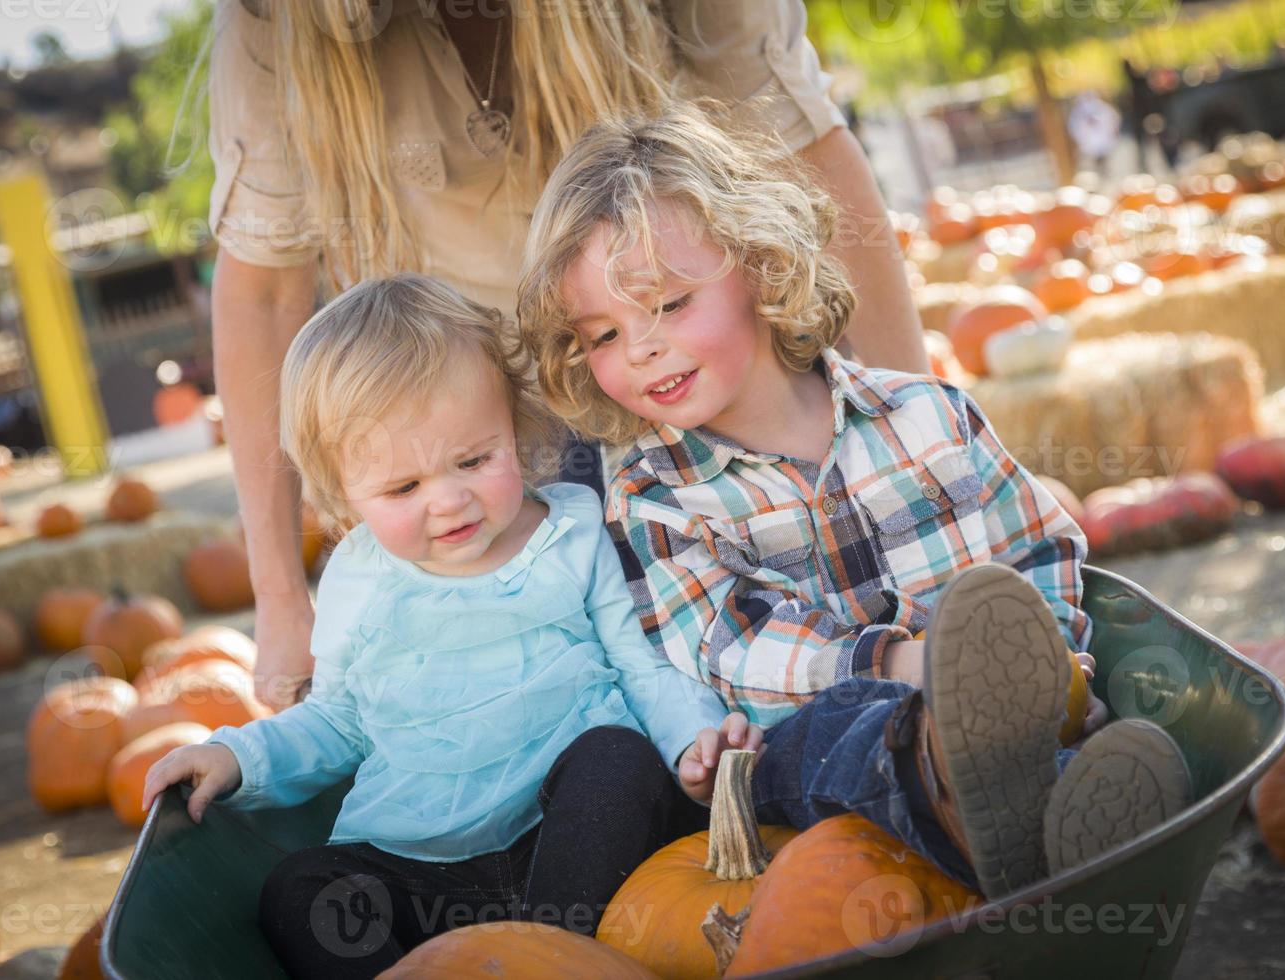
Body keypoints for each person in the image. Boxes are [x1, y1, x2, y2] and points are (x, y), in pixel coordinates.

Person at [516, 105, 1194, 900]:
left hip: (1006, 729)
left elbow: (1036, 549)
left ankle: (1071, 812)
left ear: (762, 268)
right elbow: (733, 650)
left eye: (667, 305)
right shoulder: (653, 498)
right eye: (601, 335)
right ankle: (985, 824)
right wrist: (908, 665)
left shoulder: (927, 414)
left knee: (1063, 736)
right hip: (809, 781)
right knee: (835, 737)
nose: (639, 348)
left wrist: (1055, 669)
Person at [204, 0, 929, 708]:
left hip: (692, 376)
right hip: (490, 419)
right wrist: (281, 599)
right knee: (567, 678)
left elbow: (800, 146)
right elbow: (265, 290)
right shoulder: (275, 19)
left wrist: (902, 431)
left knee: (762, 616)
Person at [142, 274, 759, 977]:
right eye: (403, 488)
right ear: (343, 494)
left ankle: (552, 963)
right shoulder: (359, 577)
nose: (448, 500)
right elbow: (341, 719)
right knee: (302, 889)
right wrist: (240, 758)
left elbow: (640, 665)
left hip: (568, 851)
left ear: (516, 427)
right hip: (418, 868)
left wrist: (694, 738)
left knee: (617, 759)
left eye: (474, 459)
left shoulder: (572, 534)